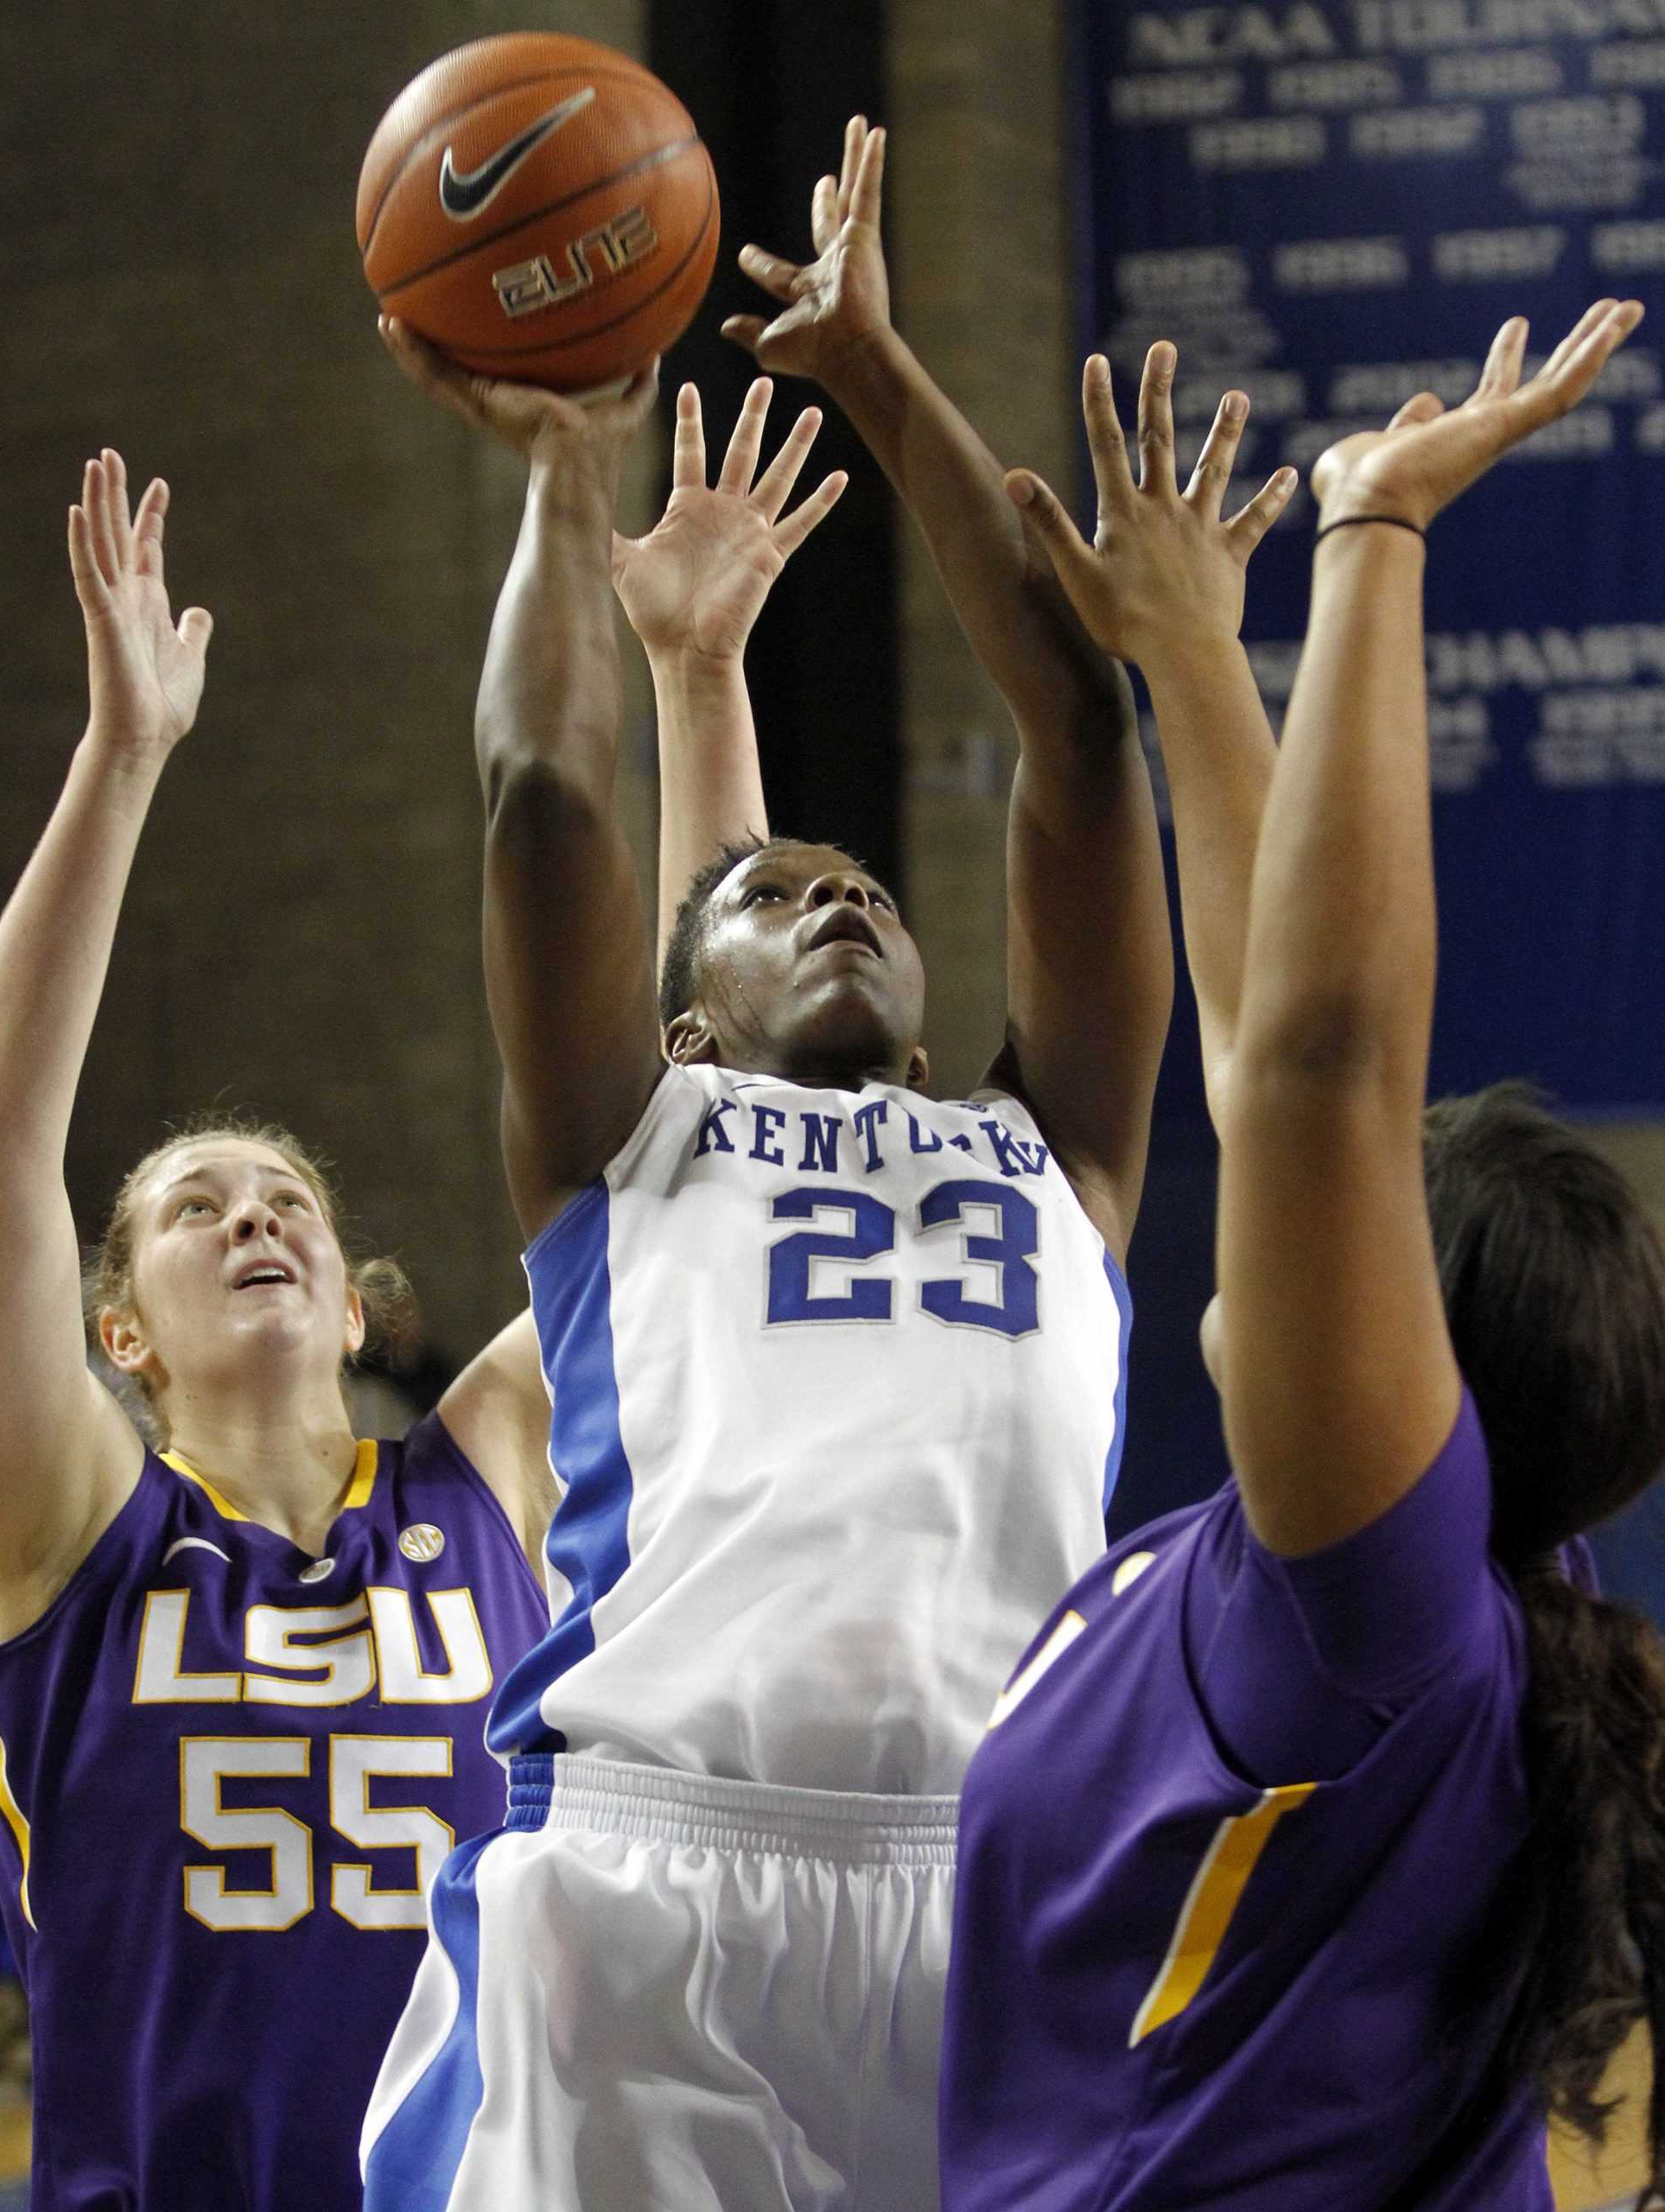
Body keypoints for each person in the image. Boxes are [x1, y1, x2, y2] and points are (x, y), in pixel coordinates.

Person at [360, 118, 1287, 2212]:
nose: (841, 899)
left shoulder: (1057, 1150)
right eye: (778, 892)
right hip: (647, 1887)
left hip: (1003, 1880)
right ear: (687, 1018)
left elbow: (1073, 723)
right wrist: (569, 457)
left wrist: (875, 367)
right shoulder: (639, 1145)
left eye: (866, 884)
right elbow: (539, 799)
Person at [0, 429, 800, 2210]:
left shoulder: (480, 1475)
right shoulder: (81, 1541)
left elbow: (708, 1148)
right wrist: (121, 756)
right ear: (122, 1333)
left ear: (353, 1303)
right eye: (196, 1205)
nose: (253, 1211)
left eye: (290, 1204)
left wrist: (699, 679)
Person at [940, 301, 1665, 2209]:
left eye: (1346, 1204)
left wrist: (1373, 532)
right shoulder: (1414, 1595)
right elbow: (1281, 1061)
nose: (1280, 1185)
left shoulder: (1377, 1616)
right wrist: (1189, 649)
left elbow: (1323, 1068)